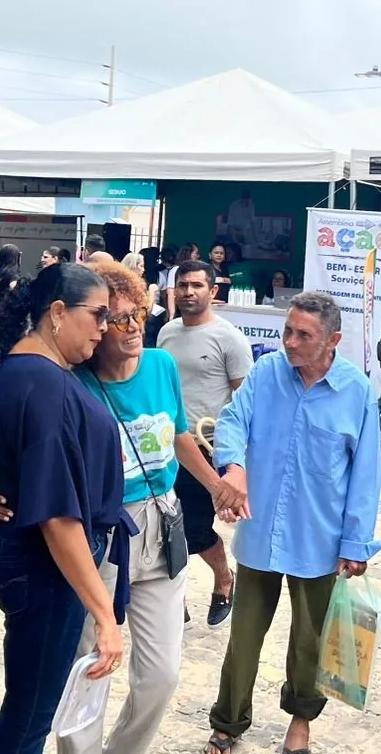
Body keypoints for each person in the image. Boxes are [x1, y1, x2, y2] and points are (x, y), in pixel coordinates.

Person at [17, 262, 220, 754]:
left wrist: (217, 487)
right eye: (118, 319)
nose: (133, 330)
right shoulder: (72, 384)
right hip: (104, 532)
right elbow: (38, 455)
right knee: (90, 663)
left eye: (140, 317)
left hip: (163, 523)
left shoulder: (161, 365)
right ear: (97, 325)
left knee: (161, 674)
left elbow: (177, 436)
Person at [205, 292, 381, 754]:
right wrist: (233, 466)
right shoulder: (267, 374)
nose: (289, 342)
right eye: (288, 330)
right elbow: (232, 421)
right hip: (260, 531)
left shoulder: (356, 392)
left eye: (303, 335)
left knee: (310, 643)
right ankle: (228, 722)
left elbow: (365, 474)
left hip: (319, 540)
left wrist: (356, 543)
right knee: (243, 637)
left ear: (333, 341)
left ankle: (301, 721)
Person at [0, 264, 130, 754]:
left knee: (27, 706)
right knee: (31, 716)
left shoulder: (14, 371)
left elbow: (11, 472)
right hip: (45, 565)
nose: (105, 328)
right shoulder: (44, 384)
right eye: (99, 315)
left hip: (23, 555)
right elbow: (57, 517)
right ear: (58, 313)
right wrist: (104, 617)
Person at [156, 259, 253, 626]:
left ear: (213, 291)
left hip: (206, 449)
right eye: (182, 285)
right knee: (162, 526)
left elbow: (244, 404)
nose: (188, 292)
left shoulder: (229, 338)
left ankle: (224, 578)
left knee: (195, 529)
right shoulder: (166, 333)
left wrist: (237, 463)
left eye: (197, 285)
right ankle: (172, 599)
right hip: (165, 446)